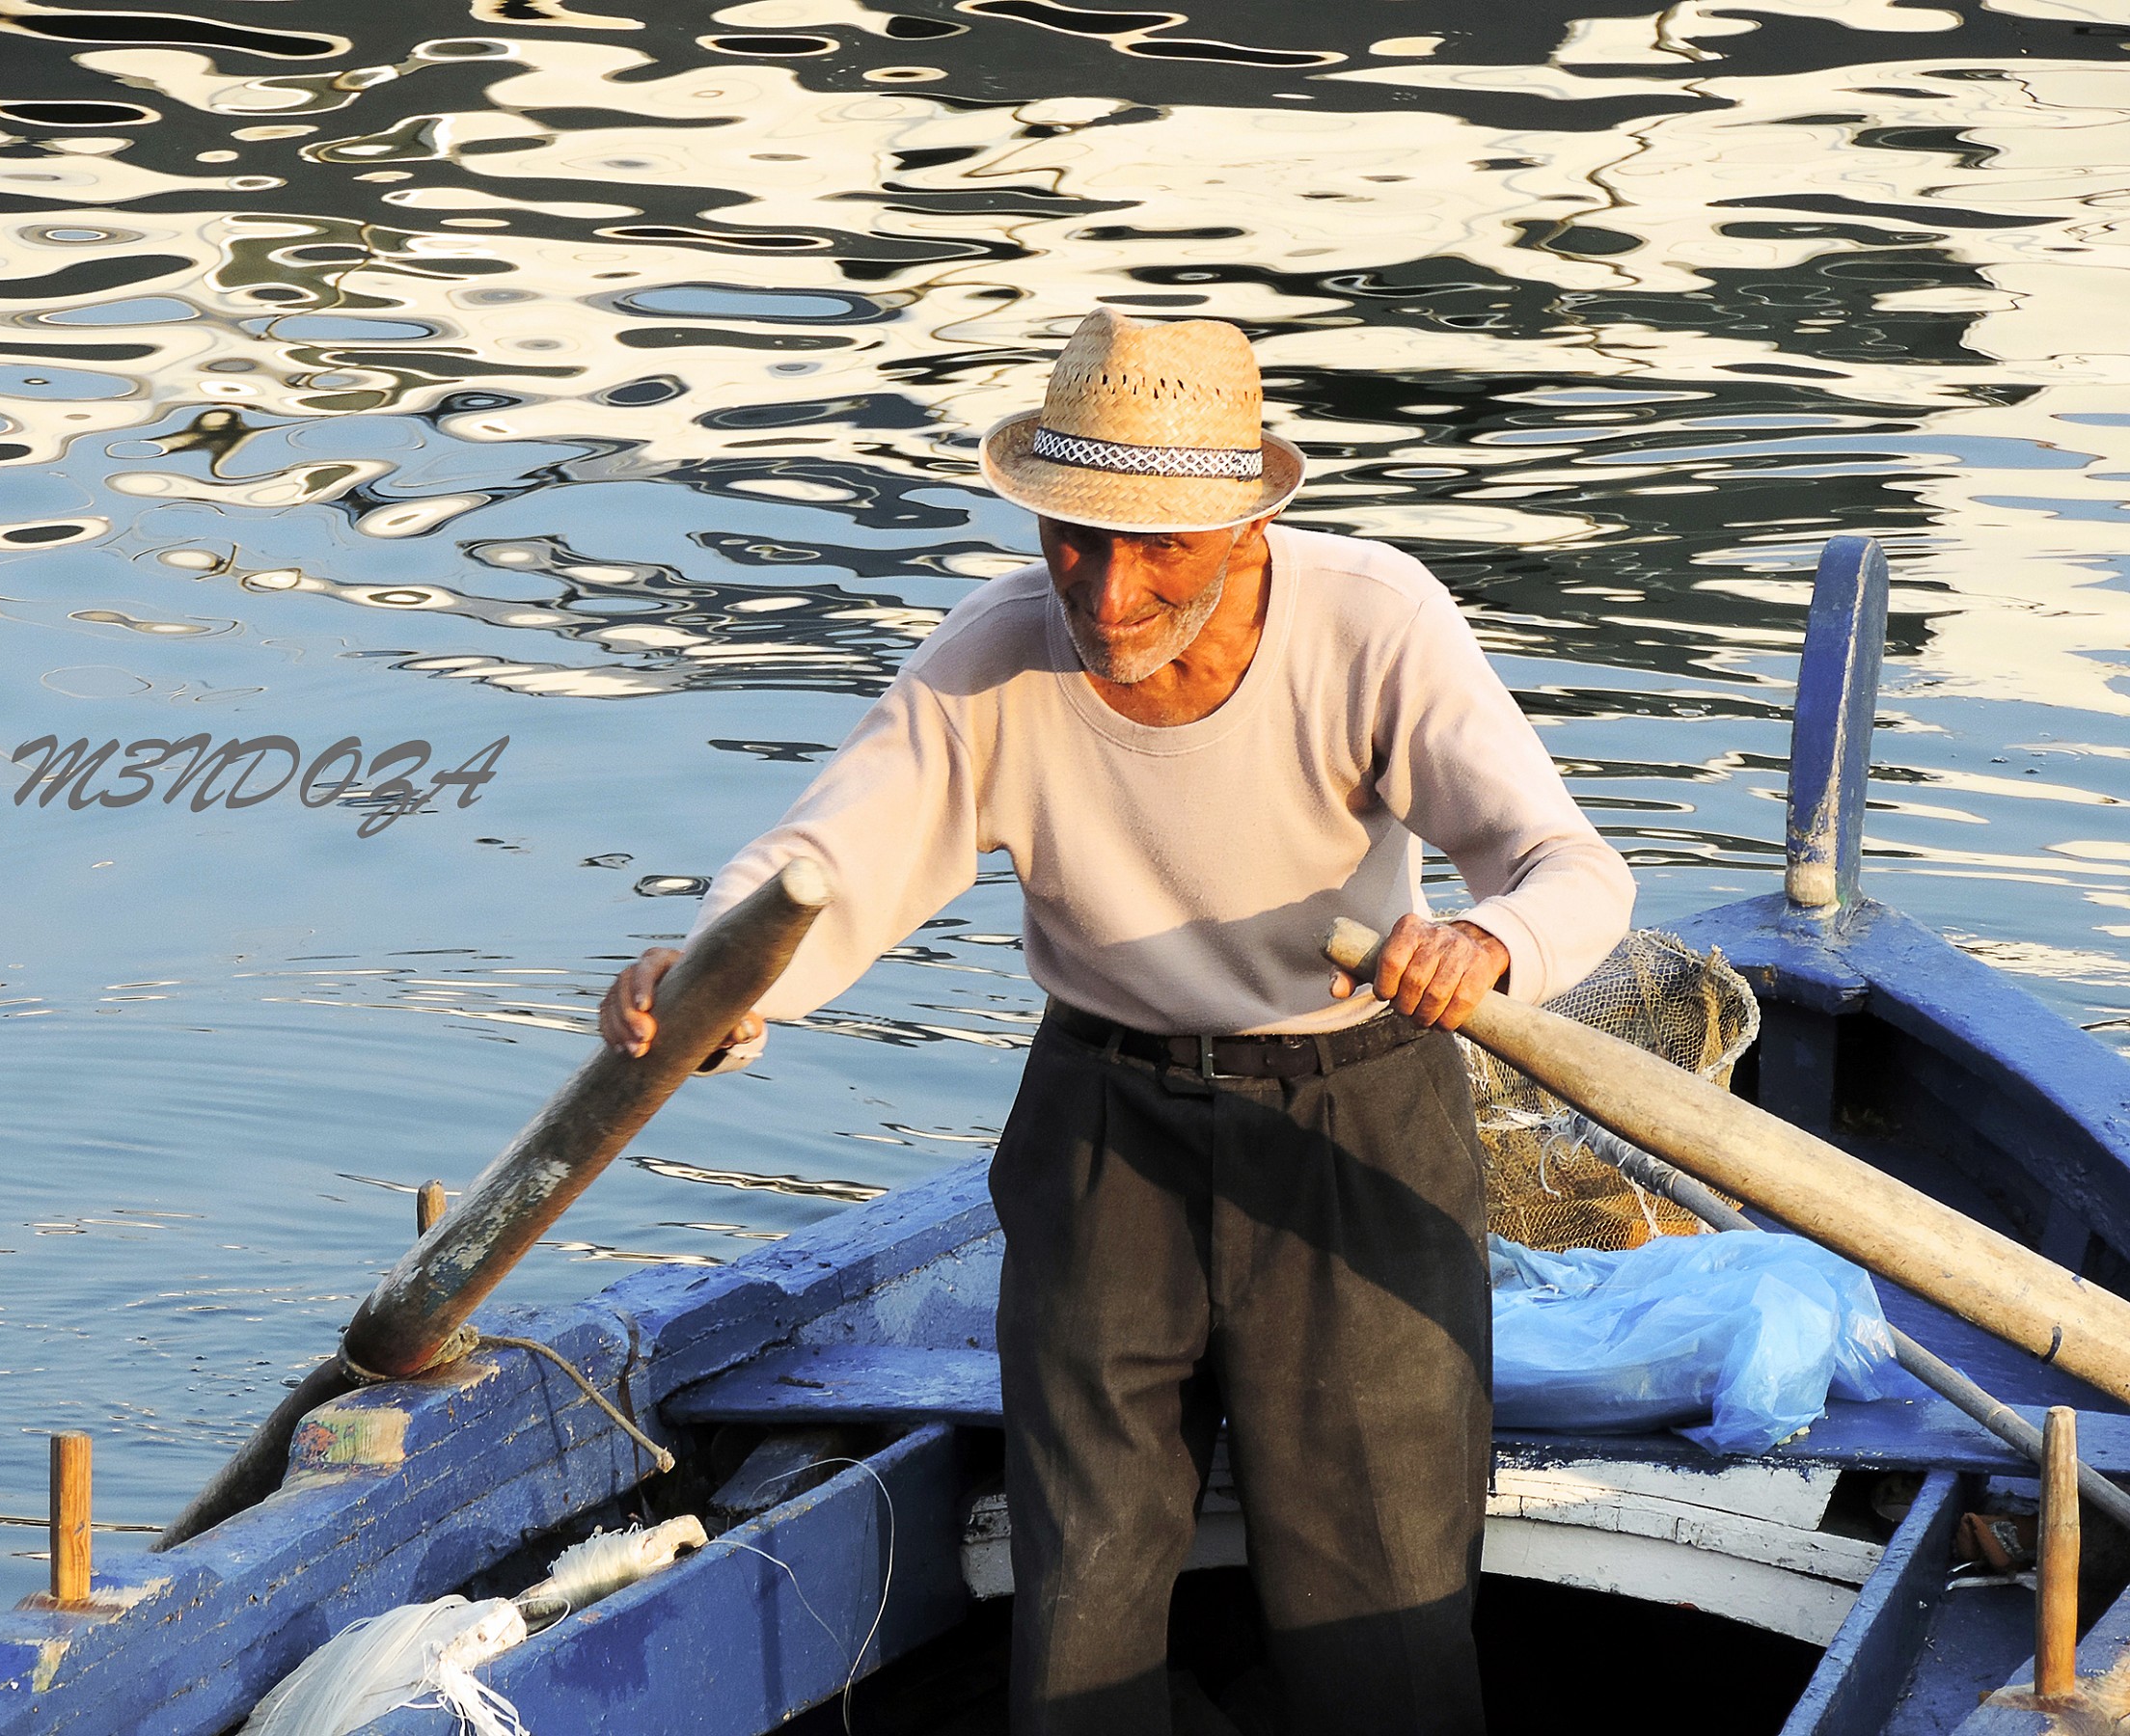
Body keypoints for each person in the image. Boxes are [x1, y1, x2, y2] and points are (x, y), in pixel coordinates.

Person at [599, 306, 1634, 1734]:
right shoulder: (991, 661)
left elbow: (1572, 870)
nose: (1109, 592)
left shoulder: (1372, 619)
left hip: (1353, 1122)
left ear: (1249, 526)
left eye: (1160, 547)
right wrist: (714, 986)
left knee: (1378, 1609)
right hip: (1104, 1128)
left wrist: (1484, 941)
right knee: (1079, 1600)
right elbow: (821, 871)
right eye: (1077, 538)